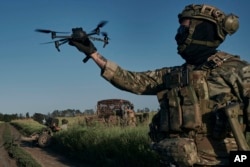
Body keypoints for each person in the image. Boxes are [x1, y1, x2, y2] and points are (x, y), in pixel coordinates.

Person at [68, 4, 250, 166]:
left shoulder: (236, 70)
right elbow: (132, 81)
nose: (177, 36)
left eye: (183, 29)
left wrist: (239, 160)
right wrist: (93, 53)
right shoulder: (174, 75)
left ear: (203, 30)